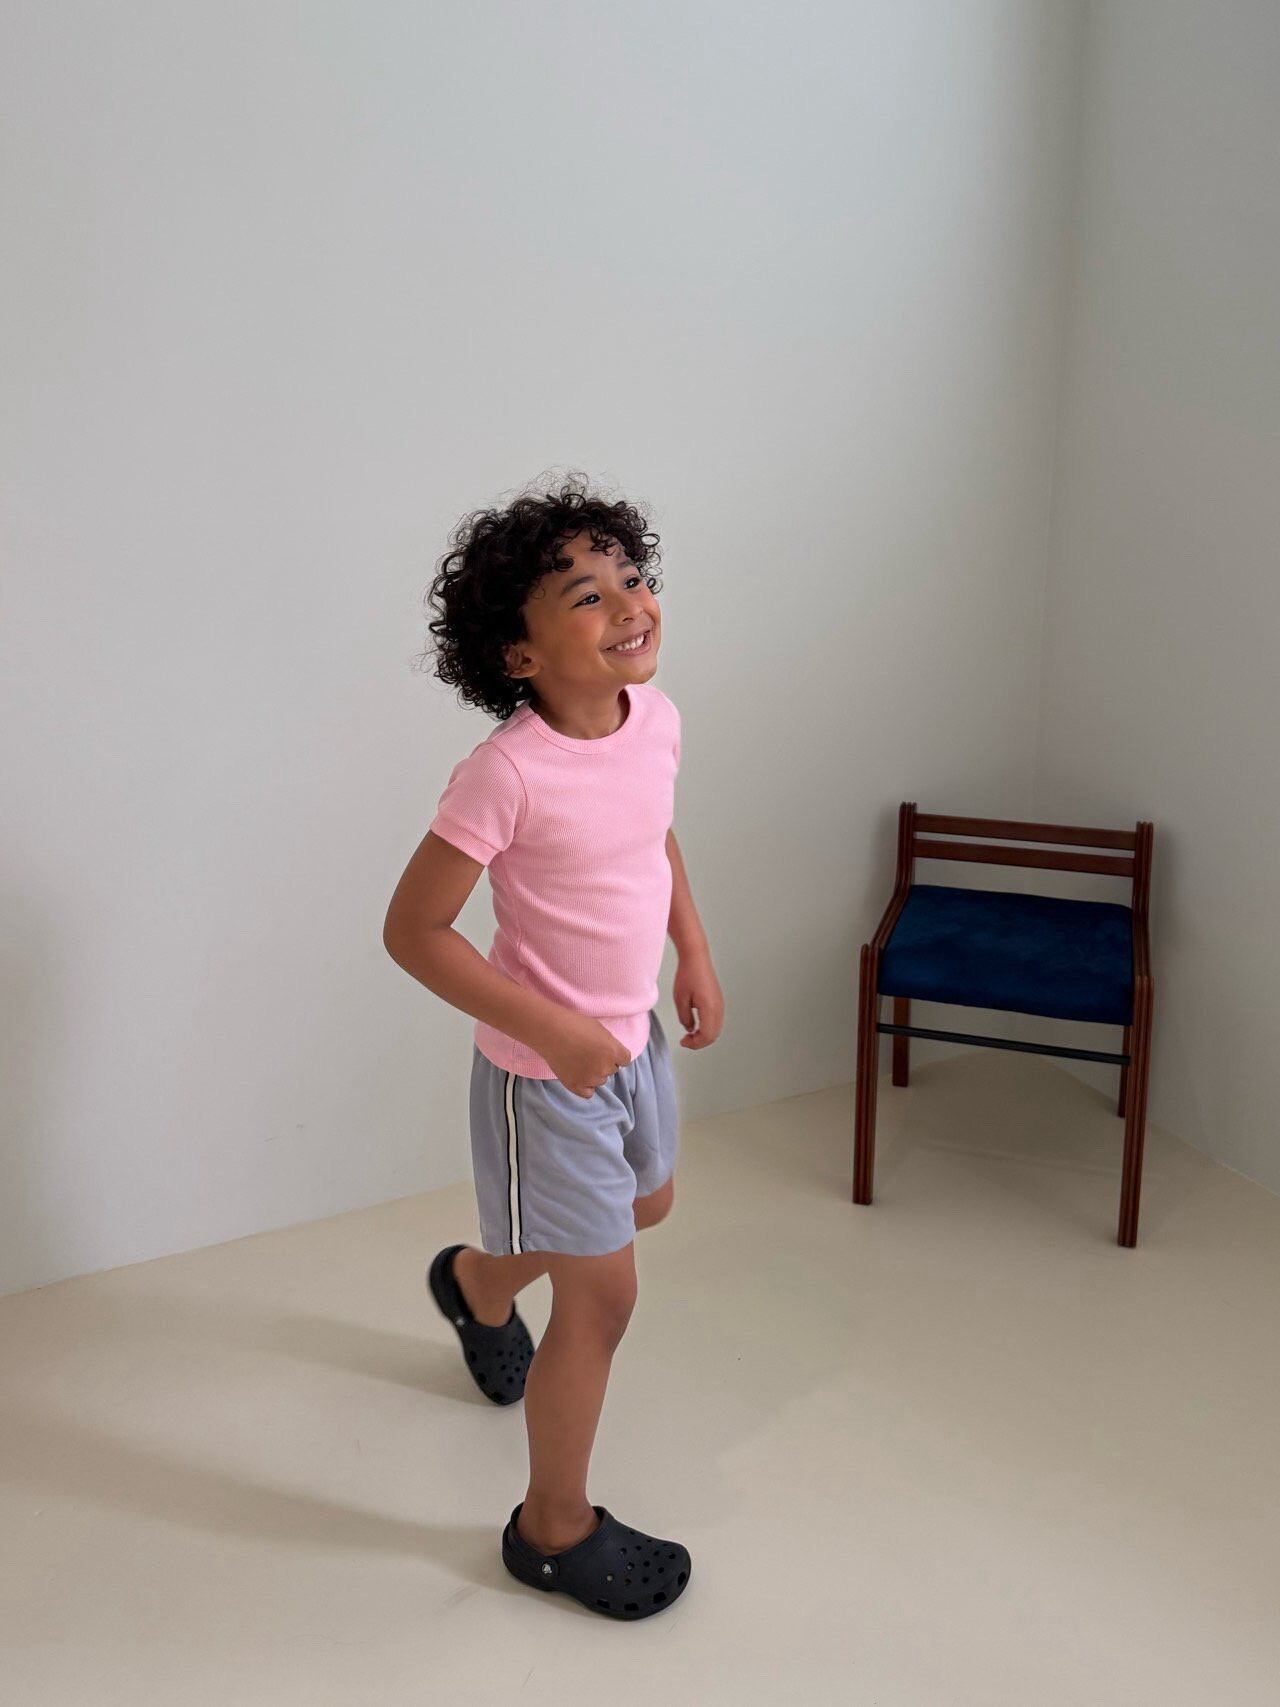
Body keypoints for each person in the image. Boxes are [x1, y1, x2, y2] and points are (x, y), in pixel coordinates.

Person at [383, 472, 724, 1621]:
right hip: (546, 1074)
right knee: (604, 1299)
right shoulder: (506, 772)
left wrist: (691, 950)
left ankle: (477, 1283)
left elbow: (650, 838)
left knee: (646, 1207)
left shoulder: (654, 719)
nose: (628, 603)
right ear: (519, 655)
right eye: (586, 595)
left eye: (630, 577)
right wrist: (555, 1033)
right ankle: (550, 1529)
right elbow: (414, 931)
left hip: (628, 1043)